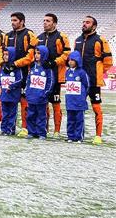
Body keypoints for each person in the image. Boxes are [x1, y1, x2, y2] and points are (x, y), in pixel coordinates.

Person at [72, 16, 112, 145]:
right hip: (79, 82)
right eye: (83, 22)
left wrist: (98, 73)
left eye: (87, 22)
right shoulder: (77, 40)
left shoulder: (100, 40)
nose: (84, 24)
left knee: (96, 108)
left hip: (94, 82)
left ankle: (98, 136)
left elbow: (108, 62)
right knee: (77, 108)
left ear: (94, 26)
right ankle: (77, 134)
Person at [35, 13, 71, 137]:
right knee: (42, 103)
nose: (45, 22)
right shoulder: (38, 37)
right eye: (44, 20)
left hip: (56, 75)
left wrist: (54, 62)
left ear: (54, 23)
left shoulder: (61, 37)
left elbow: (67, 54)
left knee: (55, 102)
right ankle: (44, 128)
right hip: (41, 77)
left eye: (48, 21)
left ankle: (57, 131)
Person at [4, 12, 38, 137]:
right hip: (9, 72)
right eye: (11, 20)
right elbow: (3, 52)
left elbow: (30, 56)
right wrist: (5, 64)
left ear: (22, 21)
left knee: (24, 100)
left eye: (15, 20)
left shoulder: (29, 34)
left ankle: (25, 127)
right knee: (9, 100)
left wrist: (16, 64)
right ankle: (8, 127)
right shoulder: (7, 35)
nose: (12, 22)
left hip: (24, 71)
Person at [24, 46, 54, 140]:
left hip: (41, 98)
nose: (36, 55)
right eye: (36, 53)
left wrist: (45, 93)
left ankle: (41, 133)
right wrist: (27, 92)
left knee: (41, 116)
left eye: (39, 53)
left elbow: (50, 81)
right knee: (30, 115)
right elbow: (28, 81)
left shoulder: (47, 69)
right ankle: (31, 132)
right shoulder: (32, 66)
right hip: (31, 96)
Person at [0, 47, 23, 135]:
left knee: (12, 113)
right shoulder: (3, 67)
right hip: (4, 95)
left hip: (13, 95)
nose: (5, 56)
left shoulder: (16, 68)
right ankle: (3, 129)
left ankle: (10, 129)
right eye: (4, 54)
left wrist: (11, 86)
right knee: (4, 113)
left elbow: (20, 80)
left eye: (7, 54)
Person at [64, 51, 89, 143]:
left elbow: (87, 85)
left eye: (73, 60)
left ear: (77, 61)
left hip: (79, 101)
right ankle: (70, 136)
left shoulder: (82, 72)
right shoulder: (67, 72)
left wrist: (83, 96)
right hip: (70, 101)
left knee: (79, 120)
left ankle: (79, 137)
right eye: (69, 60)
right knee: (70, 120)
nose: (70, 62)